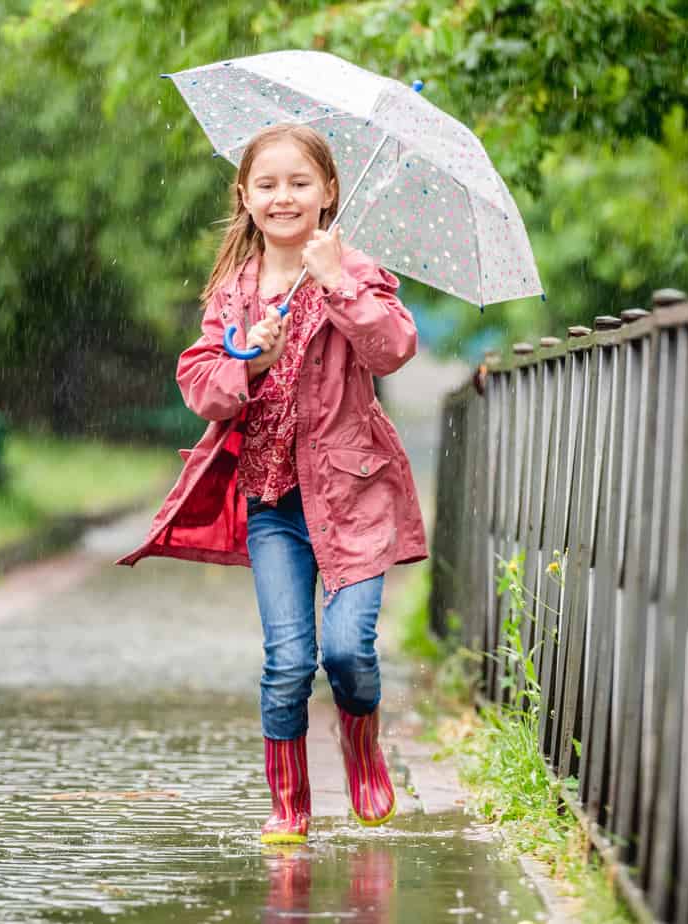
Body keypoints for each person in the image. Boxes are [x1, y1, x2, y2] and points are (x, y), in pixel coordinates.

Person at [117, 123, 427, 844]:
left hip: (353, 497)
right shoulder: (235, 294)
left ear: (328, 193)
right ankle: (289, 800)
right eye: (267, 184)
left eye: (299, 183)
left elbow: (393, 346)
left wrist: (336, 281)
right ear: (245, 197)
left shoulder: (359, 272)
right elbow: (200, 384)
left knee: (349, 651)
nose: (283, 196)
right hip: (274, 505)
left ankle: (361, 746)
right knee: (289, 661)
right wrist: (249, 363)